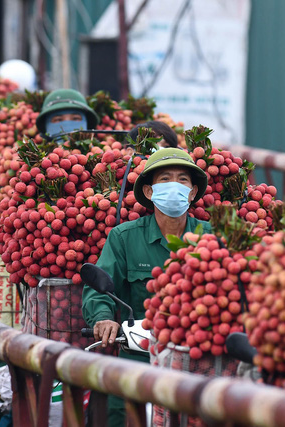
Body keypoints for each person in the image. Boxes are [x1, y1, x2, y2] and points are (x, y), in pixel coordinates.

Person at [81, 147, 212, 426]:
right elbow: (99, 285)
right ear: (150, 192)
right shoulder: (124, 237)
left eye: (182, 180)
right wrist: (103, 317)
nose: (174, 186)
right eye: (165, 179)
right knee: (118, 414)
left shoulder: (210, 238)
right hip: (138, 357)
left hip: (196, 357)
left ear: (192, 193)